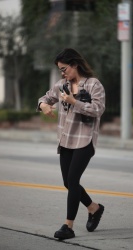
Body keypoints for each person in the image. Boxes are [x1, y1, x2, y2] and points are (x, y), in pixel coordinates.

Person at [37, 48, 105, 240]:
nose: (62, 72)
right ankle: (94, 208)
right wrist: (43, 105)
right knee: (68, 182)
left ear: (75, 64)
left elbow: (98, 110)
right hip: (65, 139)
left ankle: (68, 226)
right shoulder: (61, 85)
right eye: (60, 70)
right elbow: (45, 98)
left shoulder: (93, 84)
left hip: (85, 140)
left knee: (73, 180)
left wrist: (74, 102)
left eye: (64, 68)